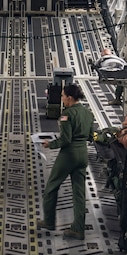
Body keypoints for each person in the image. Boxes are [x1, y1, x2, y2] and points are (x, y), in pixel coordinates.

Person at [37, 83, 95, 240]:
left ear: (69, 98)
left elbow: (66, 139)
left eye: (63, 96)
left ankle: (49, 221)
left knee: (51, 187)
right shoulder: (88, 113)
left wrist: (50, 144)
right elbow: (91, 135)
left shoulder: (66, 114)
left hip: (69, 155)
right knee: (79, 193)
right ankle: (78, 229)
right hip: (83, 154)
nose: (61, 99)